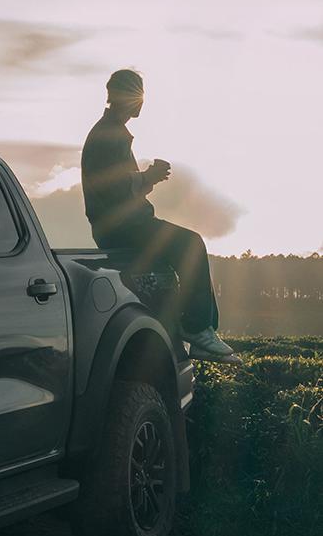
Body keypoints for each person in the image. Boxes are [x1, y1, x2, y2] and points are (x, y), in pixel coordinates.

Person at [81, 69, 237, 363]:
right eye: (136, 94)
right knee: (190, 245)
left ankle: (185, 331)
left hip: (124, 223)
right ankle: (196, 329)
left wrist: (147, 179)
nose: (140, 102)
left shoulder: (112, 133)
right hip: (123, 227)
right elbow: (111, 188)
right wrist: (145, 177)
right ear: (120, 97)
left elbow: (119, 188)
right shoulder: (107, 135)